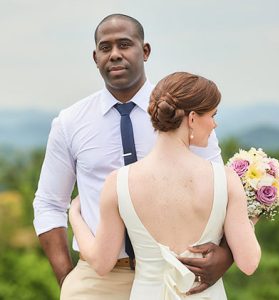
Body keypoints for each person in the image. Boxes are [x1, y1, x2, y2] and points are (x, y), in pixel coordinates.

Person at [33, 14, 233, 300]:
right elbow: (49, 203)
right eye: (105, 48)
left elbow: (221, 191)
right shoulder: (70, 122)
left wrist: (225, 256)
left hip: (176, 275)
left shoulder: (185, 114)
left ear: (145, 51)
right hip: (99, 277)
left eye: (125, 44)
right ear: (95, 57)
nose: (115, 54)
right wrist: (67, 278)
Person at [69, 72, 261, 299]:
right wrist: (251, 218)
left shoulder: (118, 182)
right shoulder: (226, 179)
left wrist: (74, 215)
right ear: (191, 119)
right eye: (212, 115)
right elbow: (249, 262)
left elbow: (101, 264)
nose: (214, 124)